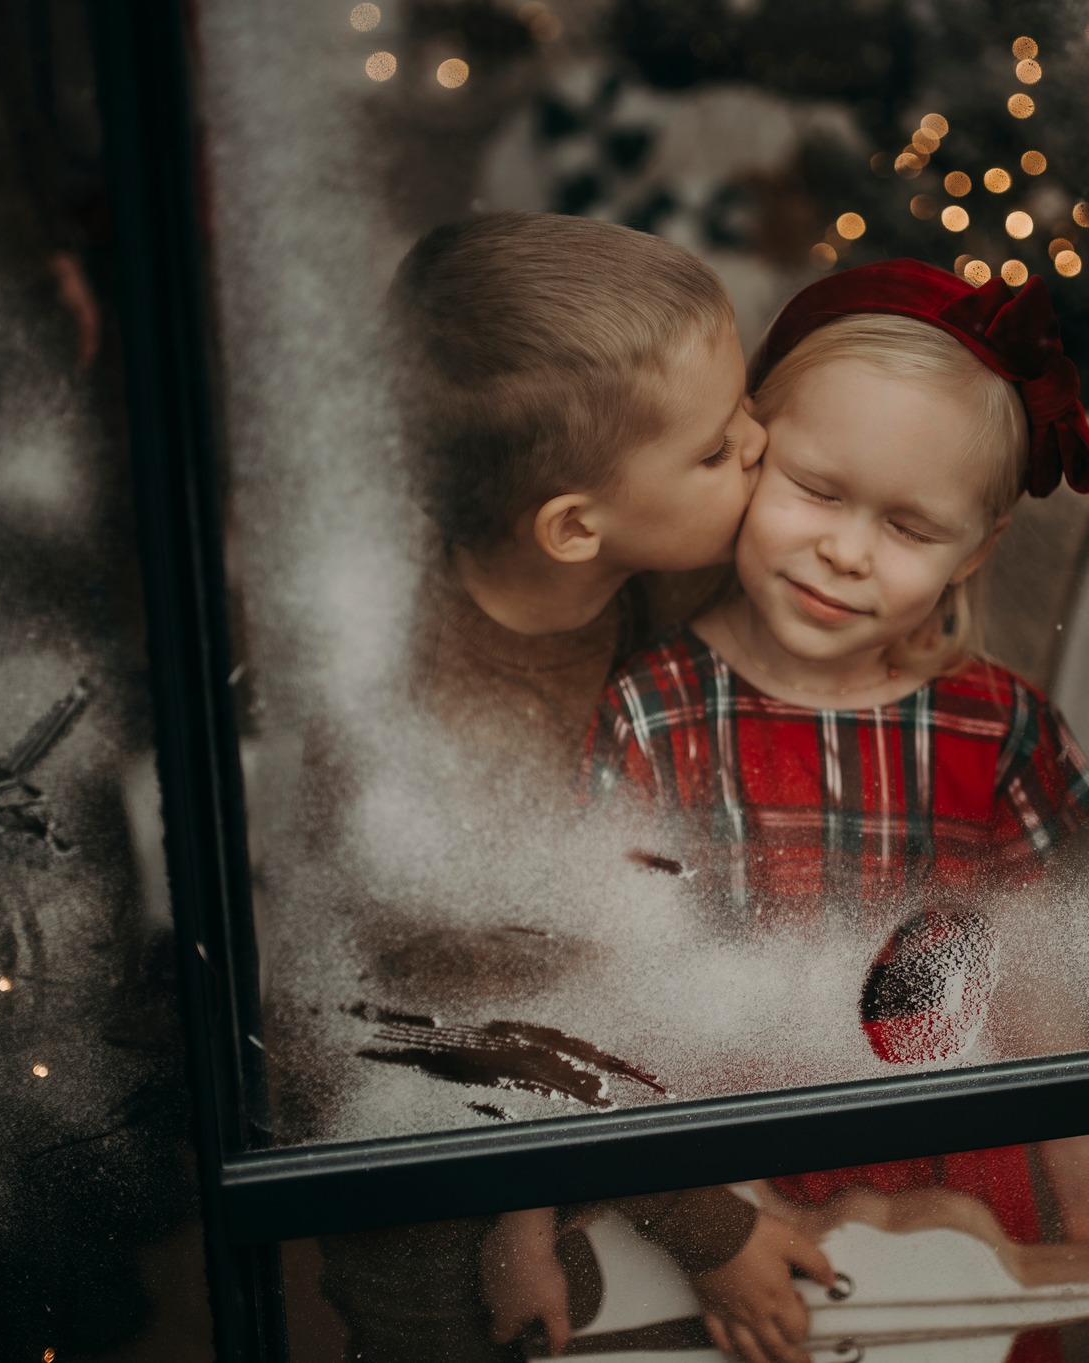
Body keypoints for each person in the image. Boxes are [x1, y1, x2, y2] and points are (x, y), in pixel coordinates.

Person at [581, 259, 1089, 1363]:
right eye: (816, 489)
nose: (846, 551)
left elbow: (1030, 982)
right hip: (724, 1186)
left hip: (947, 1180)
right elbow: (615, 1001)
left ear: (977, 546)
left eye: (908, 526)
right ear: (751, 447)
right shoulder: (653, 714)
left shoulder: (996, 728)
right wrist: (709, 1220)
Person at [317, 211, 828, 1363]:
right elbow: (500, 1036)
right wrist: (706, 1229)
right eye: (713, 449)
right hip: (435, 1181)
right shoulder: (446, 739)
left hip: (582, 1128)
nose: (758, 443)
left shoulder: (625, 572)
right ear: (571, 526)